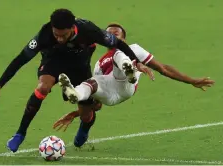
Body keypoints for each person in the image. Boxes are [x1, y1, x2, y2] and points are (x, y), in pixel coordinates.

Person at [0, 9, 145, 153]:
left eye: (63, 35)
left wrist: (135, 60)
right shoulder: (44, 35)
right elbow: (20, 59)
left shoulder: (88, 30)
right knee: (42, 88)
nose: (59, 39)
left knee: (86, 113)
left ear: (72, 28)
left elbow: (117, 43)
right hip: (53, 62)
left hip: (79, 67)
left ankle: (84, 127)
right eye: (56, 34)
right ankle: (20, 133)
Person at [53, 23, 215, 147]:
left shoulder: (134, 49)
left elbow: (164, 69)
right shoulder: (99, 64)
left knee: (118, 53)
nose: (111, 33)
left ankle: (130, 69)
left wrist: (191, 80)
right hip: (111, 93)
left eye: (116, 32)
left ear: (124, 36)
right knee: (89, 84)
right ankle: (75, 93)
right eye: (108, 32)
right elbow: (97, 105)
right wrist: (76, 114)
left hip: (126, 87)